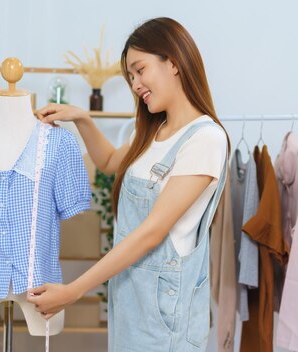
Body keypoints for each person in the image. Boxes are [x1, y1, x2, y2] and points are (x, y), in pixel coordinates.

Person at [27, 17, 230, 351]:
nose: (135, 84)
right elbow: (108, 162)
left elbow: (152, 232)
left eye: (140, 69)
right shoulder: (153, 132)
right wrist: (83, 119)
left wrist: (73, 291)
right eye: (131, 76)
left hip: (162, 318)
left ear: (174, 63)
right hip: (130, 302)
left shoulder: (205, 139)